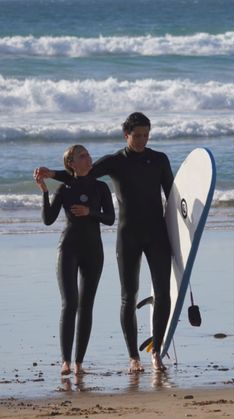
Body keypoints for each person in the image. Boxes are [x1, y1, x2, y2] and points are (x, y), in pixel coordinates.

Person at [34, 113, 174, 372]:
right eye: (137, 135)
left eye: (146, 135)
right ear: (126, 135)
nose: (142, 140)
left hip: (157, 235)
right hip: (129, 236)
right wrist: (52, 174)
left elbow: (173, 199)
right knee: (128, 296)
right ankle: (134, 356)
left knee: (164, 294)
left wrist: (183, 233)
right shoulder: (115, 162)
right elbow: (82, 176)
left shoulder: (160, 160)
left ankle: (157, 351)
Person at [35, 145, 115, 376]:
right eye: (82, 156)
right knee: (69, 303)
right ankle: (65, 361)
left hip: (93, 251)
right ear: (71, 163)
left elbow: (110, 219)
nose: (89, 158)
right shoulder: (65, 188)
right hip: (68, 249)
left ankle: (79, 362)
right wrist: (44, 190)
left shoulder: (101, 187)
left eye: (88, 154)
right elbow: (48, 220)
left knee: (86, 306)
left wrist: (90, 212)